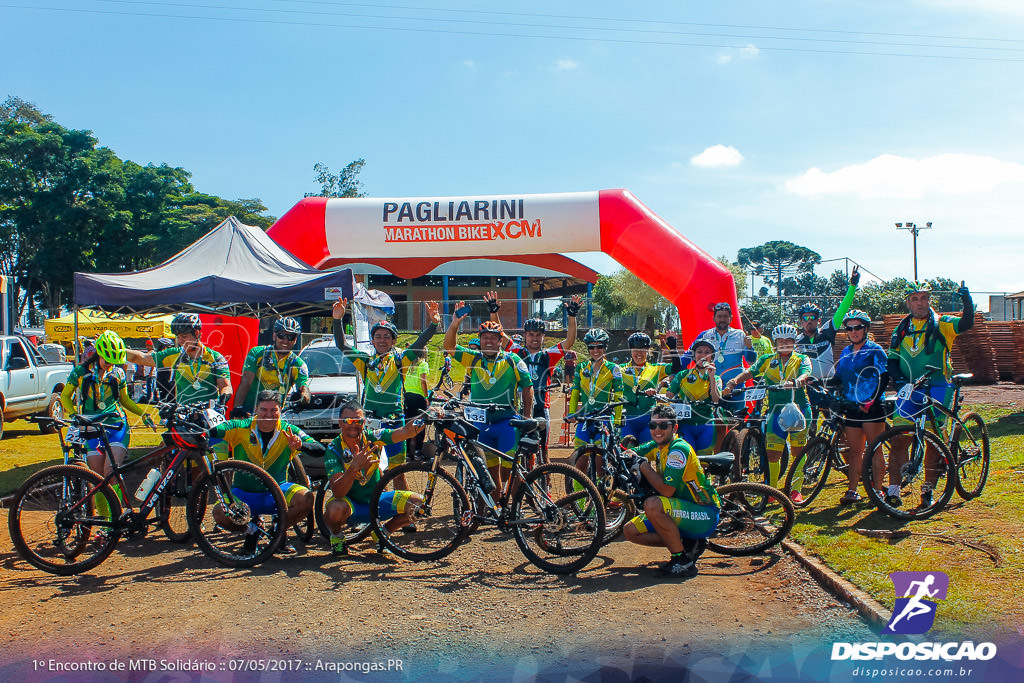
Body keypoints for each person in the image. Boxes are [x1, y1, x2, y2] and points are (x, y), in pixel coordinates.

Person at [332, 297, 440, 489]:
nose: (382, 340)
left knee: (397, 472)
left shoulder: (401, 360)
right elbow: (341, 345)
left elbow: (419, 343)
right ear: (372, 340)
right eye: (378, 336)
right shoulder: (364, 361)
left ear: (393, 341)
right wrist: (337, 319)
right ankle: (372, 512)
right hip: (370, 423)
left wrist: (433, 324)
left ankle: (405, 516)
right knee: (367, 471)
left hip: (394, 422)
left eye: (386, 337)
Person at [886, 281, 974, 509]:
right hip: (910, 390)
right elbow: (892, 361)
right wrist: (901, 382)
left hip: (937, 386)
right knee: (898, 439)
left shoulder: (943, 323)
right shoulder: (901, 328)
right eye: (915, 299)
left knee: (933, 441)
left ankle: (928, 490)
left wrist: (967, 300)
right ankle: (893, 491)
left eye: (924, 298)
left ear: (929, 300)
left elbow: (966, 323)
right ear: (908, 302)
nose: (920, 303)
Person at [60, 330, 155, 533]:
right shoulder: (80, 372)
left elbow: (125, 400)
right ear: (98, 354)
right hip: (90, 425)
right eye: (107, 361)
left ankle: (116, 519)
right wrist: (73, 414)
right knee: (97, 477)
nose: (110, 365)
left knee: (111, 473)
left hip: (116, 425)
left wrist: (143, 414)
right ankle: (104, 521)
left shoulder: (118, 373)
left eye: (114, 362)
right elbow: (65, 396)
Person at [209, 390, 325, 554]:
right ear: (256, 409)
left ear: (280, 410)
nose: (268, 415)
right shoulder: (240, 426)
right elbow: (214, 432)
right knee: (219, 513)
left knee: (306, 498)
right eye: (264, 410)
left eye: (273, 410)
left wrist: (301, 446)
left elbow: (320, 450)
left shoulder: (288, 430)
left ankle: (276, 530)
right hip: (243, 493)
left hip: (277, 492)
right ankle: (252, 529)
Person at [322, 401, 435, 556]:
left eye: (359, 421)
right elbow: (338, 492)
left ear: (365, 422)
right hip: (350, 506)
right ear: (340, 423)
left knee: (420, 504)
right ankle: (337, 538)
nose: (353, 425)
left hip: (377, 502)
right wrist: (354, 467)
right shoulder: (334, 449)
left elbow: (406, 431)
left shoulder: (373, 437)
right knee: (334, 509)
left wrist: (426, 415)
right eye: (348, 421)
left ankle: (382, 534)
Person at [622, 405, 721, 578]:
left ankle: (682, 561)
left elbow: (667, 491)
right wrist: (621, 454)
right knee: (630, 531)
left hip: (703, 512)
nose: (657, 430)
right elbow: (631, 452)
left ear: (674, 428)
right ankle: (688, 543)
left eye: (663, 425)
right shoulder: (657, 445)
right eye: (653, 426)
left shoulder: (678, 450)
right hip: (680, 510)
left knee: (652, 504)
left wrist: (643, 466)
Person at [444, 304, 533, 492]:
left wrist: (527, 417)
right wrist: (454, 324)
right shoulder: (473, 358)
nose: (489, 341)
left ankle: (513, 508)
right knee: (491, 471)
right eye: (485, 338)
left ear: (501, 340)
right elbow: (449, 346)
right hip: (482, 424)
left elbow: (527, 387)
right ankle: (498, 507)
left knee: (513, 470)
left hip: (507, 422)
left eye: (493, 338)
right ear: (480, 340)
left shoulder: (513, 360)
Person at [484, 291, 581, 462]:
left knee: (543, 449)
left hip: (542, 407)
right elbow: (501, 335)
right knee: (518, 448)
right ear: (525, 336)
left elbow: (569, 341)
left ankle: (546, 482)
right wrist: (494, 312)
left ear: (543, 337)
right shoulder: (517, 352)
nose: (534, 338)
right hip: (518, 406)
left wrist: (572, 316)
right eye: (531, 334)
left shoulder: (548, 355)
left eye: (538, 335)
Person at [724, 324, 812, 499]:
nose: (784, 344)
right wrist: (733, 381)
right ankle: (772, 490)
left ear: (794, 342)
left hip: (799, 410)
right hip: (775, 411)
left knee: (798, 451)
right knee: (773, 452)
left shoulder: (802, 358)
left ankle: (796, 489)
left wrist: (796, 382)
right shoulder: (768, 359)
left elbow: (806, 374)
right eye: (781, 341)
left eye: (788, 340)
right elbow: (750, 371)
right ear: (776, 342)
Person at [830, 310, 888, 505]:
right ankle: (852, 490)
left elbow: (884, 377)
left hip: (872, 407)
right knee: (855, 451)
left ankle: (878, 491)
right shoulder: (846, 352)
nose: (854, 331)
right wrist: (822, 383)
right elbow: (839, 377)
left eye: (858, 327)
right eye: (850, 328)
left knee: (875, 449)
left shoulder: (875, 350)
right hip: (852, 406)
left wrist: (871, 399)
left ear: (866, 329)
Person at [126, 313, 232, 410]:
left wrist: (222, 401)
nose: (180, 341)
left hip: (208, 414)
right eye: (178, 337)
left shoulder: (216, 358)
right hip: (183, 415)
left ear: (197, 333)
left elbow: (225, 386)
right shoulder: (175, 354)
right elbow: (140, 358)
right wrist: (117, 349)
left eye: (184, 336)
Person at [694, 303, 756, 447]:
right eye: (719, 316)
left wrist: (749, 347)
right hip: (712, 386)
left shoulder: (739, 335)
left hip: (735, 387)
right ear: (714, 317)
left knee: (736, 422)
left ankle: (736, 454)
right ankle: (718, 453)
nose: (722, 319)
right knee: (716, 423)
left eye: (725, 317)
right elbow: (690, 355)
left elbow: (751, 360)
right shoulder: (706, 335)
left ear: (731, 318)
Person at [233, 317, 311, 416]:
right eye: (281, 335)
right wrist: (238, 408)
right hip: (249, 412)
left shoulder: (298, 364)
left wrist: (303, 398)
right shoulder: (257, 353)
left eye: (291, 337)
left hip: (275, 415)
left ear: (296, 339)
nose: (286, 341)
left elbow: (305, 389)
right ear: (274, 335)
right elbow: (246, 382)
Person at [794, 266, 860, 381]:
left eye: (813, 317)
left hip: (828, 384)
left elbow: (842, 310)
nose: (809, 320)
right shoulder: (796, 340)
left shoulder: (827, 331)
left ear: (818, 321)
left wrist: (852, 286)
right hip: (804, 385)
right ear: (801, 322)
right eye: (805, 318)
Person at [566, 329, 623, 448]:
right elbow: (575, 392)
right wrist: (572, 412)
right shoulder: (581, 368)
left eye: (599, 347)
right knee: (579, 458)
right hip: (585, 417)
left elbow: (619, 395)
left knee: (599, 460)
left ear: (605, 347)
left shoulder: (614, 368)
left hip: (604, 418)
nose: (595, 351)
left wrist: (617, 420)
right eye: (591, 347)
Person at [665, 339, 722, 455]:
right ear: (694, 356)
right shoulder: (683, 375)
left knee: (704, 463)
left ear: (712, 357)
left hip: (706, 425)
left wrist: (711, 377)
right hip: (685, 425)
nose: (703, 355)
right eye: (699, 352)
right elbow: (668, 395)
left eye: (707, 352)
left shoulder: (716, 378)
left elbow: (716, 399)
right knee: (687, 459)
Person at [618, 332, 672, 447]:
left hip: (648, 419)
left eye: (643, 349)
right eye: (635, 349)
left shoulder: (657, 368)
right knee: (627, 455)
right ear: (630, 350)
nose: (639, 353)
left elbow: (679, 367)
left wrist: (672, 347)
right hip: (627, 420)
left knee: (645, 457)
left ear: (649, 350)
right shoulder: (620, 369)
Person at [402, 350, 430, 459]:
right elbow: (423, 381)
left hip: (408, 395)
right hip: (418, 396)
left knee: (409, 423)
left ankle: (408, 452)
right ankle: (418, 450)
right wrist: (426, 396)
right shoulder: (423, 364)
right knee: (420, 423)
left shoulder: (409, 365)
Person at [153, 337, 175, 402]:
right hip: (165, 377)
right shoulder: (164, 355)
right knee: (169, 398)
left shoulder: (158, 354)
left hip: (161, 377)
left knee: (164, 397)